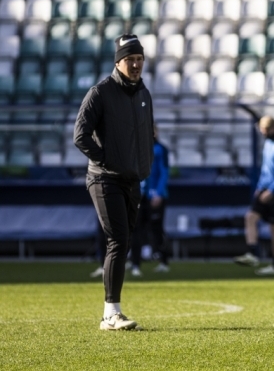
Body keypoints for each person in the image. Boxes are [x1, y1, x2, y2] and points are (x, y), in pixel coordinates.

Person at [74, 34, 154, 331]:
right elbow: (80, 136)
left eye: (139, 59)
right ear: (118, 62)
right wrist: (105, 159)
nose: (135, 64)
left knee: (124, 241)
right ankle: (110, 314)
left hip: (132, 179)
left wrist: (143, 166)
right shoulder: (100, 92)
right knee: (118, 240)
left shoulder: (144, 94)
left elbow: (148, 135)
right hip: (104, 178)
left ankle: (112, 311)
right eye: (130, 59)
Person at [233, 116, 274, 276]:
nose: (263, 133)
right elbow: (266, 169)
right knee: (250, 217)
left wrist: (272, 190)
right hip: (263, 188)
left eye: (265, 130)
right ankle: (253, 253)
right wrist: (260, 187)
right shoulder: (268, 143)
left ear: (273, 128)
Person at [129, 124, 171, 276]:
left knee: (157, 229)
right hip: (139, 196)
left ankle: (164, 260)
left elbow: (164, 172)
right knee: (135, 230)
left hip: (155, 197)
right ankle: (135, 264)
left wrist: (158, 193)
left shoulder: (161, 150)